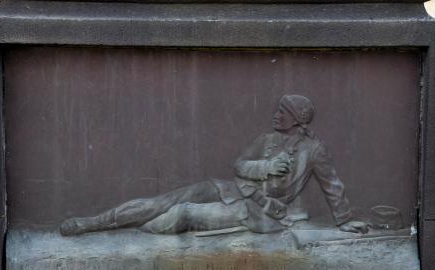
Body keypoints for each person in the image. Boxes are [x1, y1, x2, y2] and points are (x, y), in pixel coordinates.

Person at [60, 95, 368, 236]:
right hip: (228, 189)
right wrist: (267, 166)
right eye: (276, 111)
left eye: (282, 112)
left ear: (297, 119)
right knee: (166, 201)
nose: (275, 116)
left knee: (183, 214)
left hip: (258, 210)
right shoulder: (266, 139)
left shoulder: (314, 150)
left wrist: (344, 220)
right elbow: (240, 165)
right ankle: (95, 223)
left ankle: (133, 228)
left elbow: (333, 185)